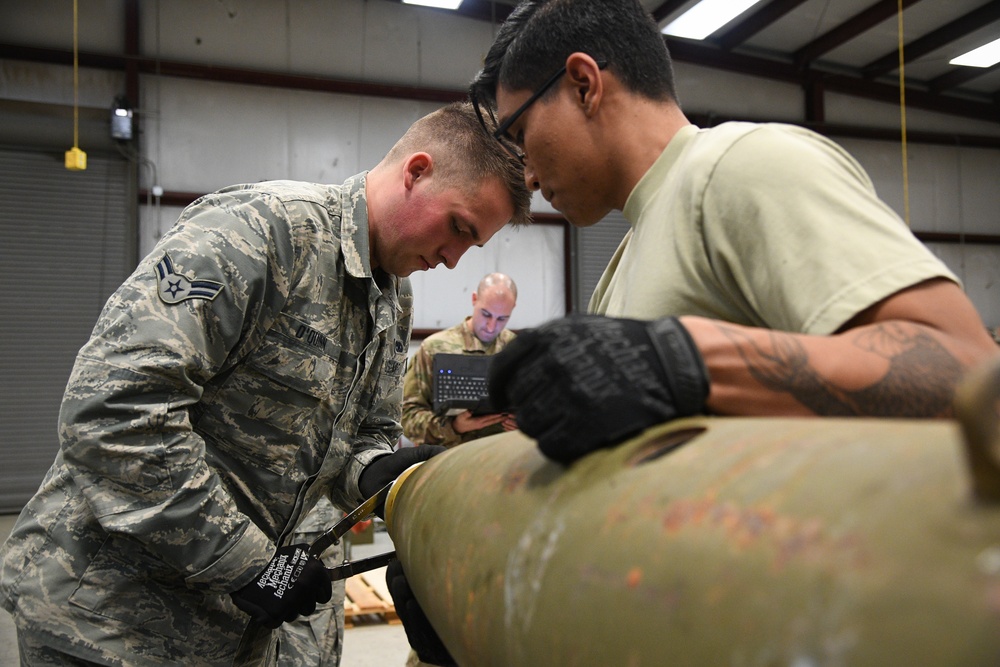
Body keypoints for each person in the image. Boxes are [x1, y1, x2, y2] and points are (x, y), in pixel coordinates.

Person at [0, 100, 530, 667]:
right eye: (458, 228)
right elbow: (113, 413)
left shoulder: (391, 298)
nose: (453, 260)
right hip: (110, 624)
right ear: (417, 171)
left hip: (231, 637)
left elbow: (365, 431)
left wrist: (375, 472)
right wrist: (249, 562)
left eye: (471, 246)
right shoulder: (258, 234)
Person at [468, 0, 1000, 465]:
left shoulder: (742, 166)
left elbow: (965, 367)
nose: (529, 175)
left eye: (522, 135)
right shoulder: (627, 256)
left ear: (584, 85)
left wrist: (685, 360)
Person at [402, 272, 519, 448]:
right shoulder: (435, 348)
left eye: (502, 318)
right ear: (474, 299)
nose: (491, 326)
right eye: (486, 314)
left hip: (503, 461)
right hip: (449, 463)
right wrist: (454, 427)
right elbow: (406, 417)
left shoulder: (518, 350)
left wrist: (525, 424)